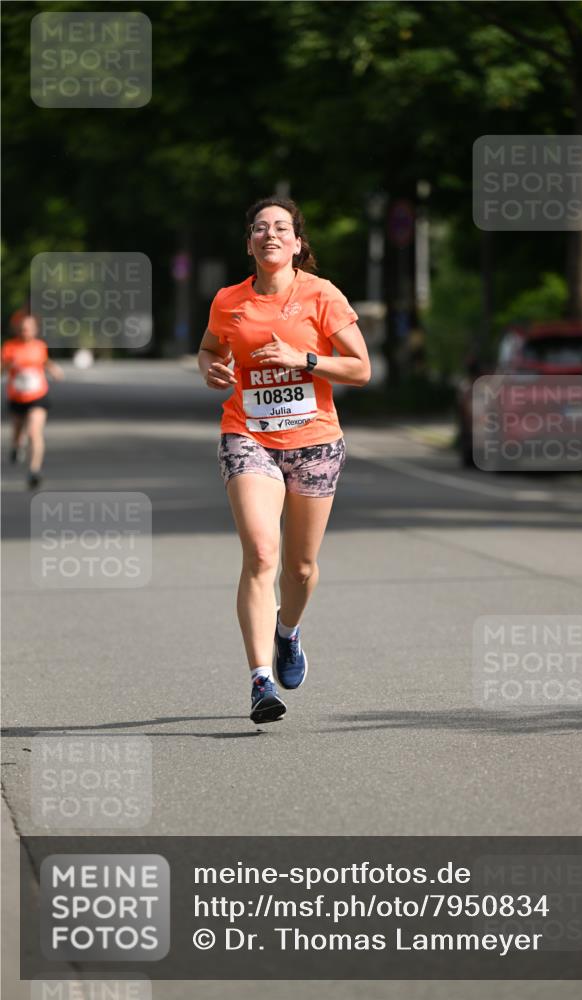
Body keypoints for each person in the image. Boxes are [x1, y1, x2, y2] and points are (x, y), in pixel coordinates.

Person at [198, 197, 371, 724]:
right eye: (259, 228)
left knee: (299, 568)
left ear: (297, 243)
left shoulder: (322, 295)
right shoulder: (229, 300)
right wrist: (211, 369)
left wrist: (305, 359)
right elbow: (210, 349)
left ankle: (288, 632)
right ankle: (259, 680)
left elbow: (361, 369)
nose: (269, 234)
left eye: (281, 228)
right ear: (249, 243)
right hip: (247, 434)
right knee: (261, 552)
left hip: (314, 439)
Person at [1, 315, 64, 489]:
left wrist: (54, 370)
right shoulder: (9, 347)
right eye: (22, 328)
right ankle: (16, 446)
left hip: (38, 396)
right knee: (17, 431)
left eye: (28, 328)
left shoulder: (39, 346)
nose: (25, 331)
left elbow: (45, 361)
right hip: (17, 397)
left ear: (35, 330)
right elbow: (2, 369)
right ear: (18, 330)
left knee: (34, 432)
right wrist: (8, 366)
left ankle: (34, 470)